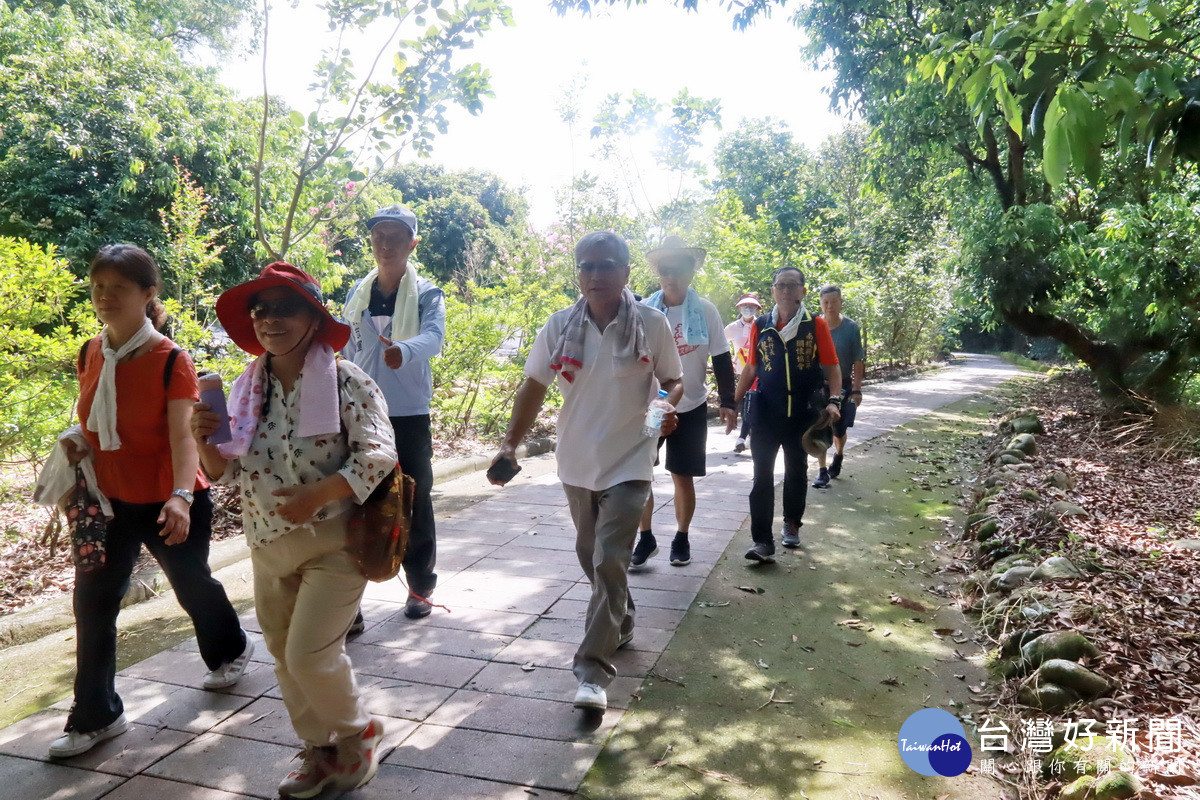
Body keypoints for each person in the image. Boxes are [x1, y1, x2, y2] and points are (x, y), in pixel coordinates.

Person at [193, 262, 395, 797]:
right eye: (260, 309)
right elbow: (221, 472)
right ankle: (318, 749)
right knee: (283, 656)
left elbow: (379, 457)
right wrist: (202, 440)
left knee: (310, 653)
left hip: (338, 542)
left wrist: (317, 495)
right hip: (266, 544)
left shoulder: (349, 381)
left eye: (286, 307)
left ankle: (359, 732)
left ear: (313, 317)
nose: (269, 319)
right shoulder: (242, 390)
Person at [49, 245, 251, 759]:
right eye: (98, 286)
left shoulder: (170, 360)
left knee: (191, 583)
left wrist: (182, 497)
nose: (104, 296)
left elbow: (185, 438)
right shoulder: (91, 352)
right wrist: (79, 438)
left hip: (169, 498)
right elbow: (95, 419)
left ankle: (231, 648)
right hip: (109, 503)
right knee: (93, 605)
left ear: (148, 293)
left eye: (118, 287)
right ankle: (97, 715)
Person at [488, 232, 683, 713]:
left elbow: (674, 380)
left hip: (631, 459)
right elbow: (533, 385)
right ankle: (624, 617)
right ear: (578, 273)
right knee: (589, 556)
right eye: (586, 266)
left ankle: (592, 671)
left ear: (625, 272)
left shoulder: (652, 324)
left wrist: (662, 405)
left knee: (610, 559)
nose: (595, 275)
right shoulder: (559, 327)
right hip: (576, 460)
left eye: (606, 265)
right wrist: (511, 444)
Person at [343, 204, 445, 620]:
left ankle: (421, 585)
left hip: (407, 412)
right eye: (379, 236)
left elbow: (434, 337)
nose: (385, 245)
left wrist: (404, 350)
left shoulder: (426, 294)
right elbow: (347, 346)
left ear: (412, 244)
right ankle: (349, 601)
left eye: (396, 237)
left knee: (414, 499)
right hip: (362, 411)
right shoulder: (358, 294)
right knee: (356, 498)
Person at [631, 236, 737, 570]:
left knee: (682, 476)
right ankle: (645, 537)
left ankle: (681, 536)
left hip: (690, 406)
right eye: (664, 269)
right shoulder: (645, 310)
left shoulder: (705, 311)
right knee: (640, 472)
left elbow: (721, 357)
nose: (669, 275)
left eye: (677, 269)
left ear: (690, 272)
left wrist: (729, 402)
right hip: (653, 407)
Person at [730, 266, 841, 562]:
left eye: (793, 285)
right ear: (773, 291)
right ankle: (762, 542)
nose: (786, 290)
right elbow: (751, 368)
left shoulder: (814, 325)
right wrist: (731, 403)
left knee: (795, 471)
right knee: (761, 476)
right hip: (766, 412)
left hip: (802, 414)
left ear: (803, 291)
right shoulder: (762, 324)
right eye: (781, 285)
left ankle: (792, 523)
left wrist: (834, 401)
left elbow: (831, 366)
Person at [812, 285, 866, 488]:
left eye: (833, 302)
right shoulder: (815, 325)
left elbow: (858, 361)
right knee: (820, 426)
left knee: (839, 429)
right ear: (820, 303)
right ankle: (822, 471)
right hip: (819, 386)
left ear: (841, 303)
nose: (829, 306)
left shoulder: (851, 328)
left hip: (843, 385)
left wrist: (857, 389)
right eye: (825, 302)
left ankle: (839, 454)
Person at [723, 293, 761, 454]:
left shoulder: (761, 325)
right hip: (740, 373)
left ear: (757, 309)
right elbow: (720, 347)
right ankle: (747, 438)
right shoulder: (732, 328)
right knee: (745, 406)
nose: (748, 309)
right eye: (745, 306)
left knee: (749, 406)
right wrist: (728, 361)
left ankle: (742, 438)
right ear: (739, 307)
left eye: (752, 307)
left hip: (757, 373)